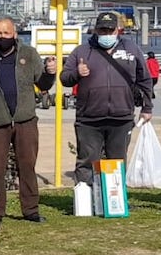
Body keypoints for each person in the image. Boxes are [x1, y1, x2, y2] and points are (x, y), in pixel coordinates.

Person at [0, 16, 57, 228]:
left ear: (15, 33)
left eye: (6, 33)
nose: (2, 37)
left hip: (25, 121)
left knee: (28, 166)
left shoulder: (29, 54)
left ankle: (31, 210)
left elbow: (42, 83)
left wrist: (51, 73)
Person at [60, 12, 153, 186]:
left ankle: (115, 201)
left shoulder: (131, 49)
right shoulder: (81, 51)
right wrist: (76, 73)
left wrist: (147, 108)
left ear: (118, 30)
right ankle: (85, 201)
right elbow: (64, 78)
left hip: (122, 118)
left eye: (110, 30)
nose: (106, 34)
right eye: (102, 30)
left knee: (117, 163)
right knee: (86, 162)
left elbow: (145, 79)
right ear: (95, 30)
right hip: (88, 119)